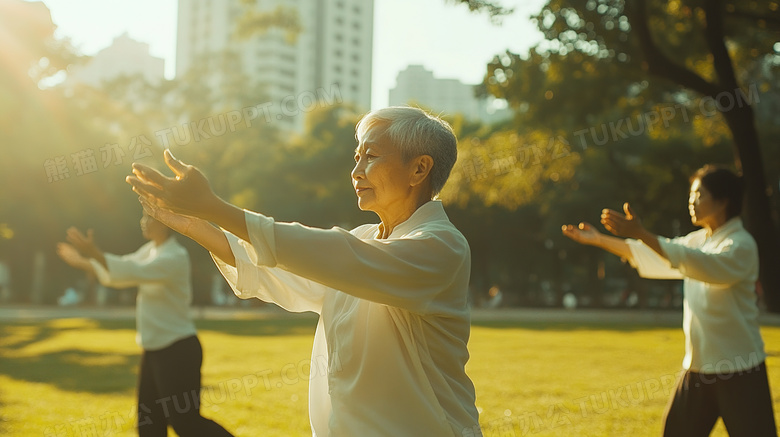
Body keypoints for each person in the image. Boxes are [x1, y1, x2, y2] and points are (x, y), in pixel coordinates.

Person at [126, 106, 483, 436]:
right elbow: (272, 268)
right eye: (357, 157)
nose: (356, 171)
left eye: (372, 157)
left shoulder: (441, 247)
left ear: (419, 169)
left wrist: (215, 207)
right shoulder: (365, 240)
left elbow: (339, 256)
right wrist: (192, 223)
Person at [562, 165, 776, 437]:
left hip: (740, 370)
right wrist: (600, 240)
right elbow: (659, 255)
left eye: (699, 194)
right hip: (698, 368)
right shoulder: (700, 240)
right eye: (691, 194)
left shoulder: (740, 245)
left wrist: (642, 233)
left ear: (723, 201)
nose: (692, 201)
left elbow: (700, 264)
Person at [56, 216, 234, 437]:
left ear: (165, 222)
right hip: (153, 351)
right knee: (149, 424)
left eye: (148, 217)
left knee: (185, 423)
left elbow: (130, 270)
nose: (142, 221)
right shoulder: (150, 250)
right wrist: (82, 261)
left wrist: (93, 254)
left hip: (178, 350)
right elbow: (119, 272)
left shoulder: (174, 256)